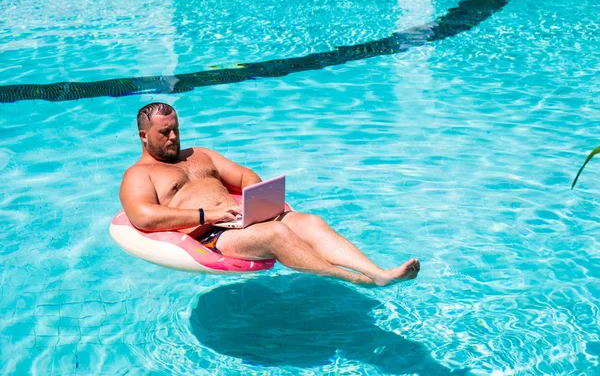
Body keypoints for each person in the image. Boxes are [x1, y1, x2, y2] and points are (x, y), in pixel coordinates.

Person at [119, 102, 420, 286]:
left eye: (176, 129)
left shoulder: (200, 155)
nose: (174, 137)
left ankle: (378, 272)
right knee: (277, 233)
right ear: (143, 136)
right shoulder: (139, 174)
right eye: (164, 133)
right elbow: (143, 216)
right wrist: (208, 215)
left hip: (240, 220)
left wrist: (254, 199)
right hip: (212, 236)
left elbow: (243, 174)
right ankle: (356, 280)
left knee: (310, 222)